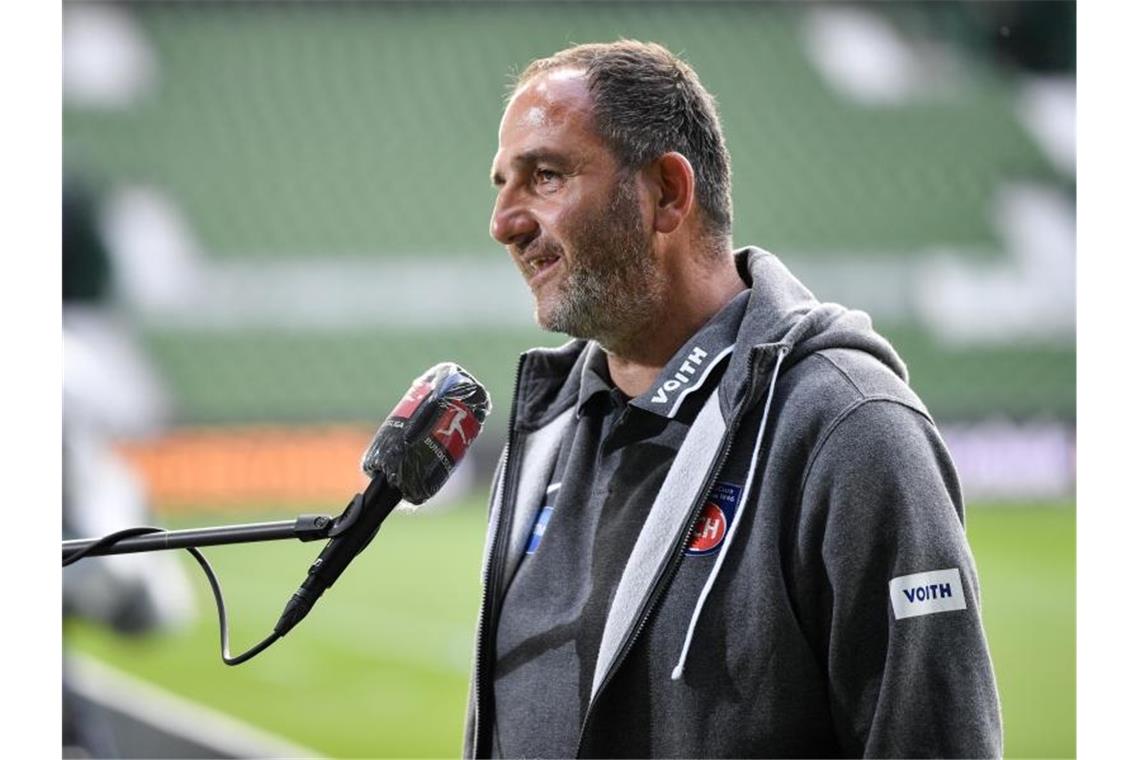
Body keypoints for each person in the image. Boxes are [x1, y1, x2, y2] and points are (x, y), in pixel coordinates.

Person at [466, 41, 1001, 759]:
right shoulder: (548, 429)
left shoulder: (849, 429)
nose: (505, 221)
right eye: (503, 184)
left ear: (667, 194)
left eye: (546, 176)